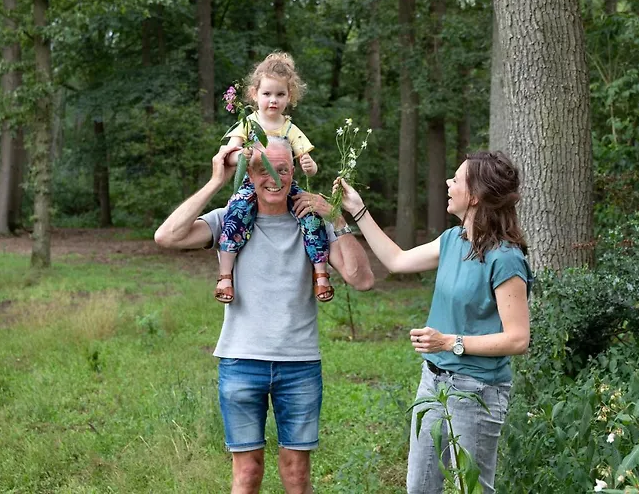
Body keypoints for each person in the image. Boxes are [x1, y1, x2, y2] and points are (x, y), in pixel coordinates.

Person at [154, 139, 374, 494]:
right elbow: (166, 236)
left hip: (299, 364)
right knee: (247, 473)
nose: (274, 179)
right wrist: (216, 181)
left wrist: (335, 215)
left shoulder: (312, 221)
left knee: (297, 474)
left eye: (282, 170)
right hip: (241, 361)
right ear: (249, 174)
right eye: (263, 170)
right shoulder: (230, 218)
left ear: (293, 171)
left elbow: (361, 279)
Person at [335, 151, 532, 494]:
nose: (448, 183)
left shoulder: (505, 259)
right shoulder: (453, 240)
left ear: (475, 196)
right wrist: (358, 210)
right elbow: (397, 260)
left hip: (477, 391)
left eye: (456, 179)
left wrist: (449, 342)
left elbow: (517, 339)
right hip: (433, 383)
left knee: (473, 489)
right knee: (420, 488)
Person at [216, 52, 333, 304]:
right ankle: (225, 275)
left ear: (289, 97)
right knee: (235, 214)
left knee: (311, 214)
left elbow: (310, 166)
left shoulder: (290, 128)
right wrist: (242, 155)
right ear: (254, 94)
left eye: (280, 94)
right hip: (252, 183)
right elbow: (227, 155)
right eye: (267, 93)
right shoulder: (247, 124)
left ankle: (321, 272)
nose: (273, 100)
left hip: (284, 185)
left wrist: (309, 165)